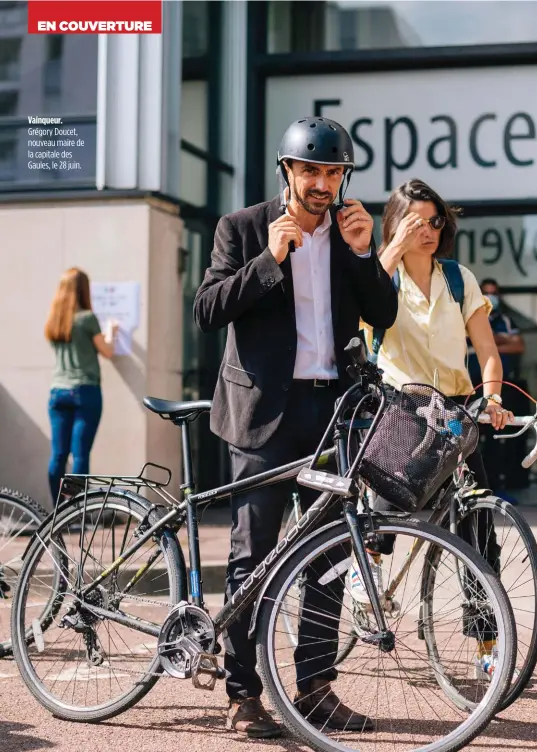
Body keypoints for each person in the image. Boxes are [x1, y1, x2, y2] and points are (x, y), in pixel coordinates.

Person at [193, 116, 397, 738]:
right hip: (262, 415)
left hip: (330, 414)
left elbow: (384, 314)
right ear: (288, 171)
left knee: (331, 553)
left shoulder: (347, 233)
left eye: (332, 172)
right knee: (253, 555)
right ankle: (242, 693)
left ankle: (313, 689)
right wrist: (268, 259)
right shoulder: (243, 228)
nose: (322, 184)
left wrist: (366, 255)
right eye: (310, 170)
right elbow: (207, 310)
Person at [358, 178, 513, 677]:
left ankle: (487, 647)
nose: (428, 230)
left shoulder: (457, 277)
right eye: (415, 221)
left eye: (435, 221)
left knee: (478, 532)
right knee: (392, 503)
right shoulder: (382, 275)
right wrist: (393, 248)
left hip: (458, 413)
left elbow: (487, 353)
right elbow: (363, 305)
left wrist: (492, 398)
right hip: (403, 407)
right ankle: (369, 573)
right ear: (397, 223)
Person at [44, 268, 118, 505]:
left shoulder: (55, 321)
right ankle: (75, 509)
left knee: (58, 454)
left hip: (57, 392)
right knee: (80, 454)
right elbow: (107, 351)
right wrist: (112, 331)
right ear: (84, 289)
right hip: (85, 391)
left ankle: (57, 508)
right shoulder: (87, 318)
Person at [468, 278, 527, 500]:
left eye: (494, 293)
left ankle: (496, 489)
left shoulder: (505, 320)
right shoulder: (467, 315)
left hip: (498, 390)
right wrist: (500, 340)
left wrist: (492, 339)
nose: (490, 297)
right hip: (470, 388)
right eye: (486, 292)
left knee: (498, 438)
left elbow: (518, 345)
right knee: (471, 439)